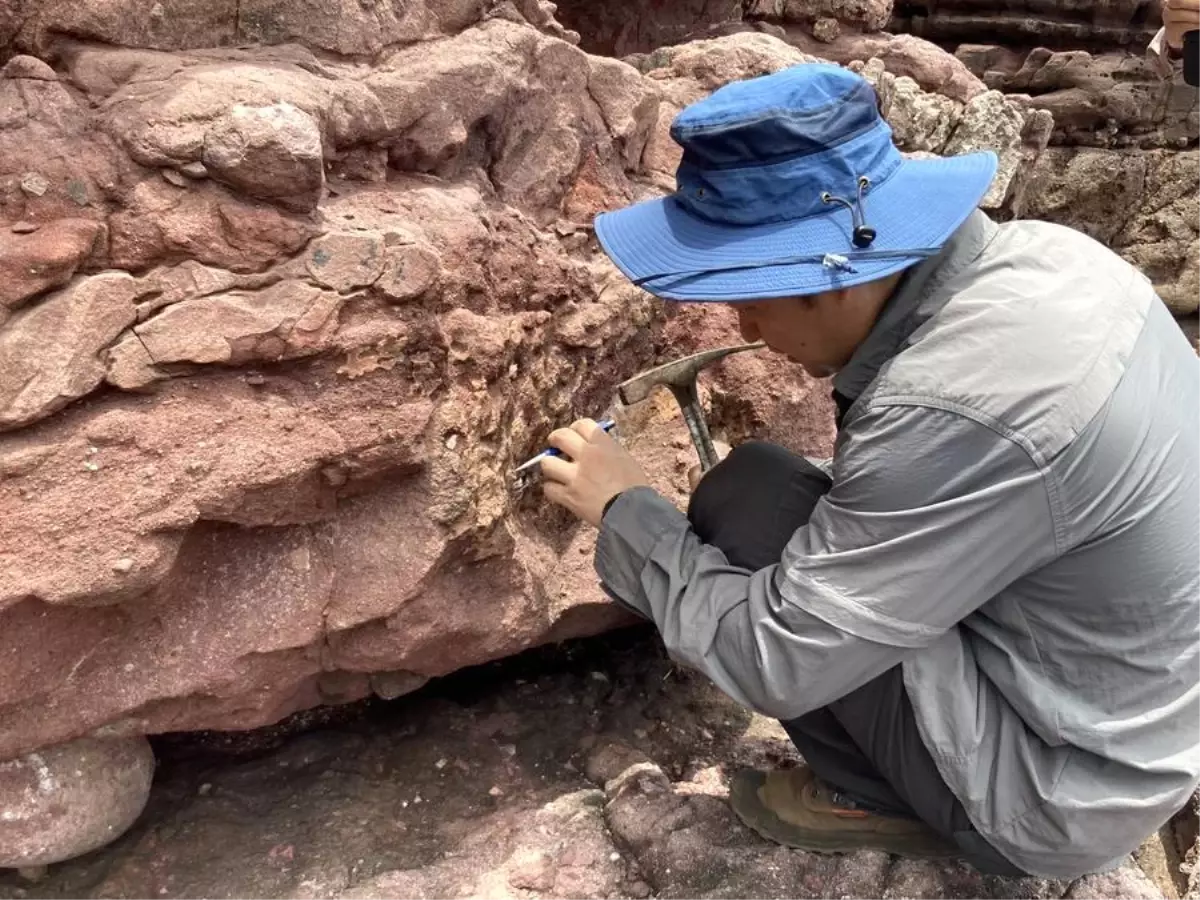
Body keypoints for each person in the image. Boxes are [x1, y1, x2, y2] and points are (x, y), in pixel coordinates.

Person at [535, 62, 1200, 880]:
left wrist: (627, 508)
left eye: (751, 291)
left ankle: (884, 795)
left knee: (748, 510)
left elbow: (772, 660)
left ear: (835, 277)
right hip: (1131, 722)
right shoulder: (1055, 259)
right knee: (768, 485)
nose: (740, 321)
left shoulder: (951, 406)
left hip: (1055, 792)